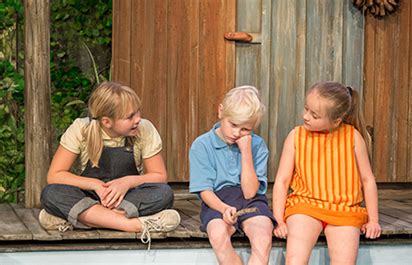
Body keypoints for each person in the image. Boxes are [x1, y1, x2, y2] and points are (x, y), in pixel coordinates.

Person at [40, 81, 180, 247]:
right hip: (90, 196)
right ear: (107, 122)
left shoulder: (145, 129)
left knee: (164, 193)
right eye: (130, 117)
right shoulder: (81, 128)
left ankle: (87, 219)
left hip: (127, 198)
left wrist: (127, 182)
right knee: (51, 193)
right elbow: (55, 175)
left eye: (138, 112)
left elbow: (159, 176)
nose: (138, 119)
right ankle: (134, 224)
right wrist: (95, 185)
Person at [272, 81, 381, 264]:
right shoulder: (296, 136)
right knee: (295, 259)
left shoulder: (352, 137)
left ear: (336, 121)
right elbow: (282, 180)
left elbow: (367, 180)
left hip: (344, 210)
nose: (305, 116)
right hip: (305, 206)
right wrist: (278, 219)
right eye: (306, 109)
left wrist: (374, 219)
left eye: (314, 115)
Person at [189, 85, 275, 265]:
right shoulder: (202, 145)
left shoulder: (256, 146)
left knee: (263, 237)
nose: (237, 133)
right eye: (233, 125)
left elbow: (251, 192)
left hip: (250, 201)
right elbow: (204, 191)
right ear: (221, 112)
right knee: (218, 234)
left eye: (246, 129)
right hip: (217, 201)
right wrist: (222, 208)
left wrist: (246, 153)